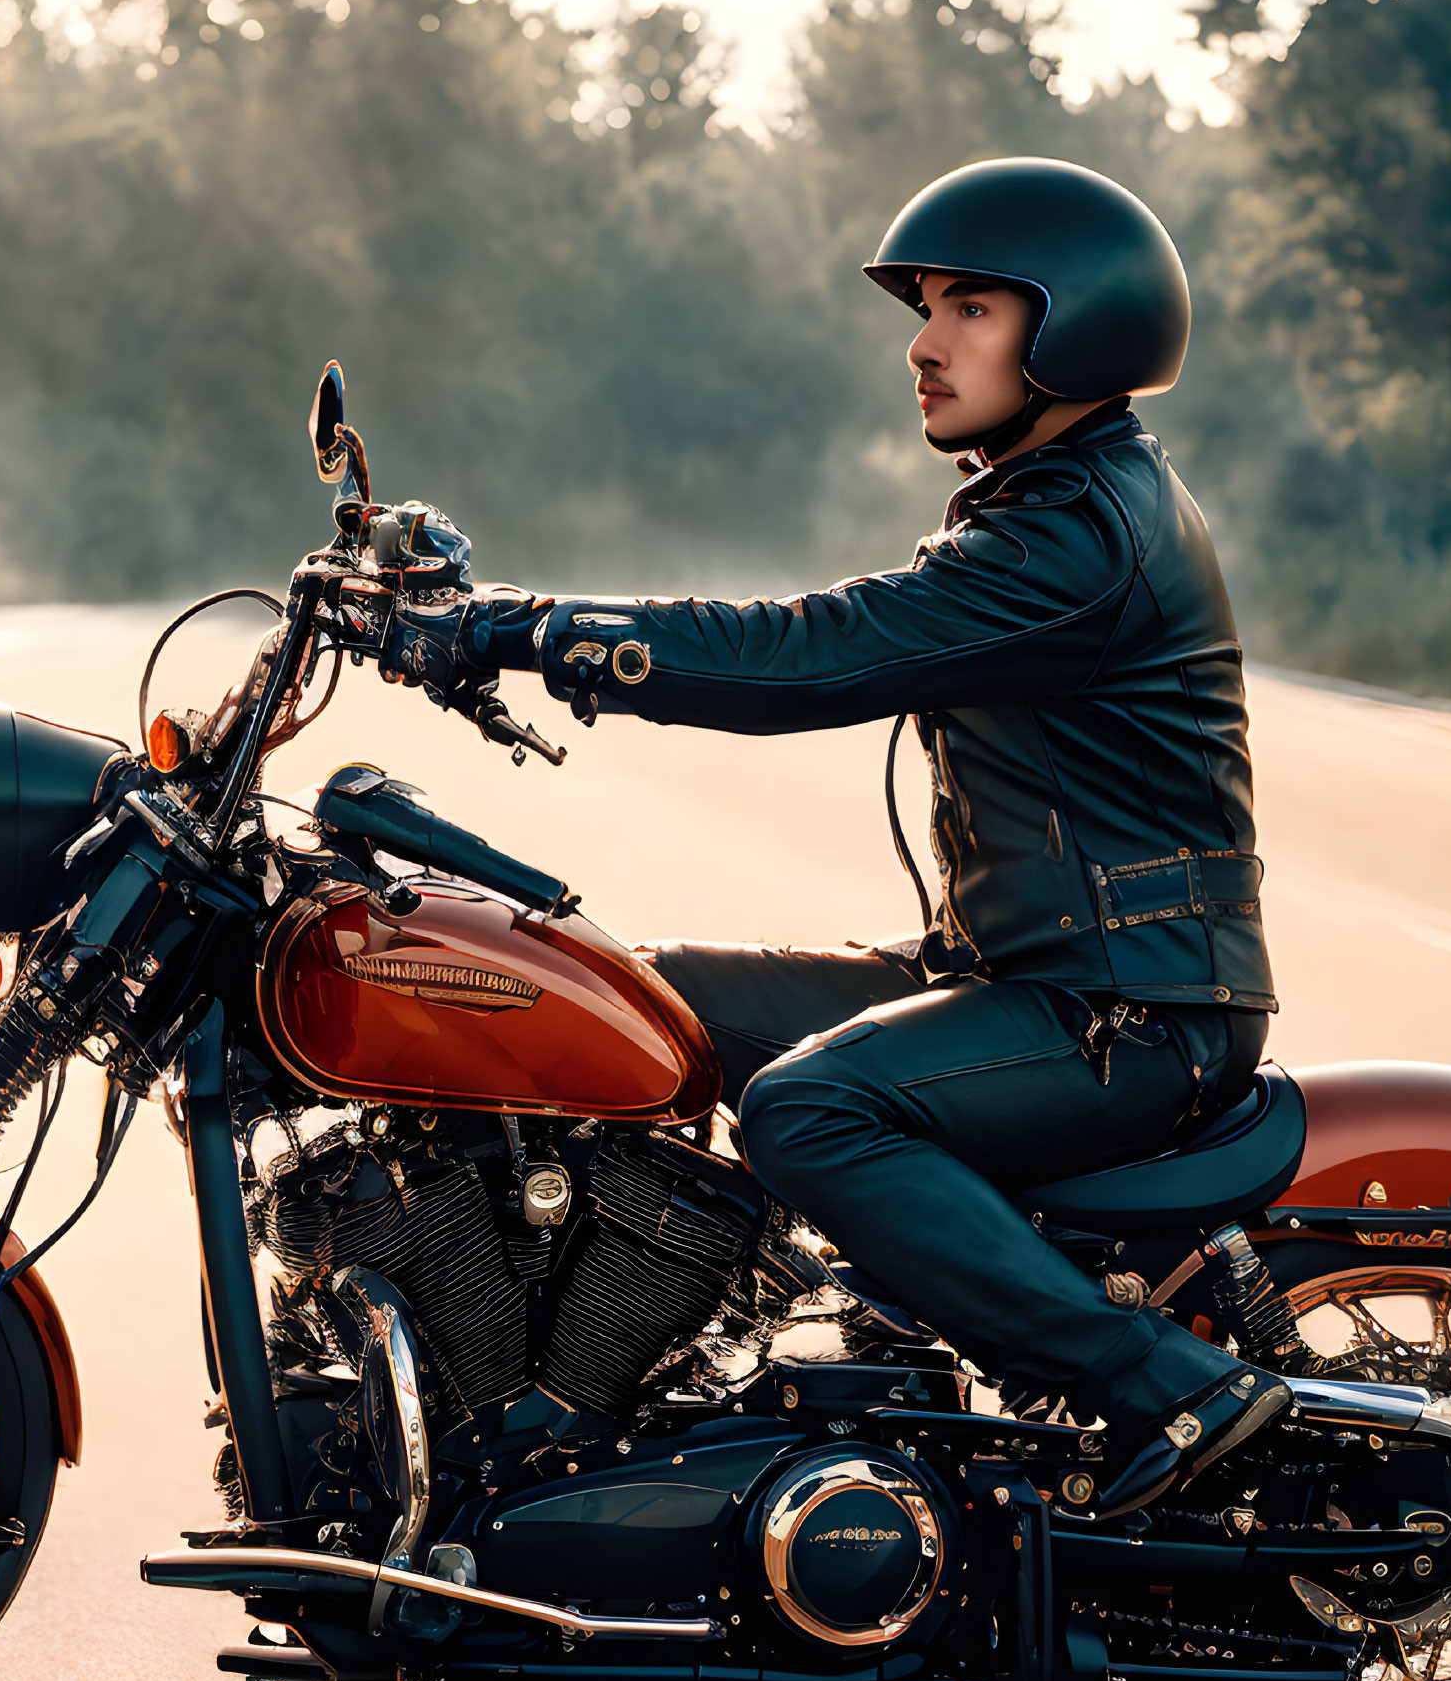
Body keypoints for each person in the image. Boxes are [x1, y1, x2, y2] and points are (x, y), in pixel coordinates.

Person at [376, 157, 1290, 1517]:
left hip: (1130, 1011)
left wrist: (527, 626)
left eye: (968, 308)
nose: (921, 345)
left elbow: (807, 654)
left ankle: (1157, 1378)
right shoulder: (1056, 499)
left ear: (1078, 325)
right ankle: (587, 1389)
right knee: (623, 992)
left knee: (810, 1103)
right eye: (924, 308)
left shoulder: (1076, 535)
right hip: (1035, 980)